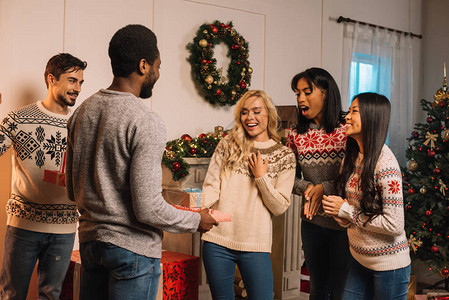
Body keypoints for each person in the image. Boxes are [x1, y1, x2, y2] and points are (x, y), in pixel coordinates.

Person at [65, 24, 217, 300]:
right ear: (144, 65)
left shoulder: (81, 112)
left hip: (91, 245)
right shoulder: (144, 120)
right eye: (158, 65)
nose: (158, 73)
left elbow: (71, 191)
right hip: (132, 252)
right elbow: (148, 209)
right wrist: (196, 220)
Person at [0, 53, 86, 300]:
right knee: (11, 295)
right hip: (23, 227)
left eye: (80, 82)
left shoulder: (82, 123)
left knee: (51, 295)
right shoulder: (18, 119)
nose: (77, 88)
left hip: (65, 229)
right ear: (51, 79)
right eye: (72, 80)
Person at [201, 90, 296, 299]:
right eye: (244, 112)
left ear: (269, 115)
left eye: (256, 111)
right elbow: (210, 185)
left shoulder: (284, 155)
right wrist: (204, 217)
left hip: (255, 243)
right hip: (218, 240)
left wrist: (261, 178)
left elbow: (280, 206)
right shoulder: (228, 144)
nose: (250, 117)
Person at [322, 93, 411, 300]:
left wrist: (348, 212)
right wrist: (342, 217)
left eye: (354, 112)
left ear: (371, 117)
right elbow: (354, 211)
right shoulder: (351, 157)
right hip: (359, 259)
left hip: (389, 267)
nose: (347, 117)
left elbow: (394, 224)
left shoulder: (386, 164)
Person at [285, 67, 350, 299]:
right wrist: (307, 188)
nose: (300, 98)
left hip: (344, 223)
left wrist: (325, 188)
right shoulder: (295, 133)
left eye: (307, 92)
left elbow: (354, 176)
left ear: (325, 92)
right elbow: (286, 177)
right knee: (318, 288)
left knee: (340, 289)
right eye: (297, 93)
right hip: (312, 223)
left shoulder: (348, 129)